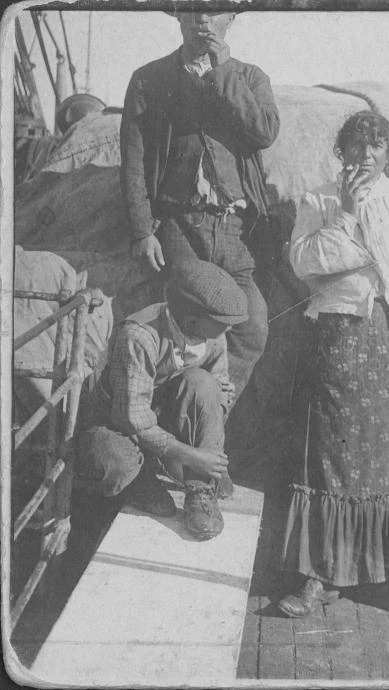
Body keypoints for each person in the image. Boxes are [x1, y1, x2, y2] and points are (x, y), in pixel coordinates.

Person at [277, 110, 389, 617]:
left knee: (383, 451)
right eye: (358, 145)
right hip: (339, 334)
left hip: (387, 333)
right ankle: (319, 575)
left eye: (378, 146)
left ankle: (371, 571)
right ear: (341, 151)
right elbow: (303, 263)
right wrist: (344, 214)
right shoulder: (319, 198)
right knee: (331, 453)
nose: (367, 155)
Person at [120, 10, 279, 414]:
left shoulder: (249, 76)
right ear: (179, 17)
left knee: (252, 325)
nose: (202, 20)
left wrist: (222, 68)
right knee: (187, 328)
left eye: (214, 11)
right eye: (193, 9)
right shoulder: (149, 78)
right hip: (180, 226)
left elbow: (263, 131)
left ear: (231, 20)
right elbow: (134, 160)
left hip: (234, 231)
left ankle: (210, 420)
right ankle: (171, 431)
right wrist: (143, 230)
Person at [77, 260, 248, 540]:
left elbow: (219, 391)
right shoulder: (140, 335)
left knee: (203, 384)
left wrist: (207, 449)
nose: (228, 330)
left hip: (162, 421)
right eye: (223, 324)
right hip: (119, 425)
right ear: (193, 320)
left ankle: (200, 488)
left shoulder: (213, 335)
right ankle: (141, 479)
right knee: (108, 457)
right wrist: (191, 454)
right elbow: (131, 418)